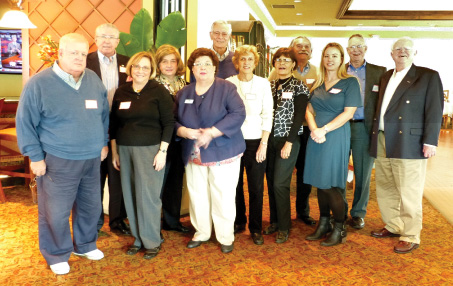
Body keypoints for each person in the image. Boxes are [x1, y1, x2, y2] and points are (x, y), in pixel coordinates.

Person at [16, 33, 109, 275]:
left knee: (90, 207)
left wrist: (103, 142)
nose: (79, 58)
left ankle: (85, 244)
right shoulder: (39, 83)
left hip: (91, 158)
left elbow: (103, 116)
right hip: (57, 160)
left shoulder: (93, 79)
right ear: (60, 54)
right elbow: (25, 123)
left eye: (82, 53)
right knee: (55, 211)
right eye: (73, 53)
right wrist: (34, 157)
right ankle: (56, 253)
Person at [370, 37, 443, 254]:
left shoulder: (427, 76)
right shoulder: (385, 77)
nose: (402, 52)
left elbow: (434, 109)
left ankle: (411, 234)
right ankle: (393, 224)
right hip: (383, 138)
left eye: (406, 49)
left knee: (408, 191)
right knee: (386, 186)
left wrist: (430, 141)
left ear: (414, 53)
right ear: (391, 54)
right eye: (397, 49)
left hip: (409, 141)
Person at [175, 48, 245, 253]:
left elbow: (238, 114)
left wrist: (212, 132)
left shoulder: (226, 88)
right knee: (197, 194)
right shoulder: (184, 92)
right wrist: (182, 130)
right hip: (193, 153)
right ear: (192, 70)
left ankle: (225, 236)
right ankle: (202, 232)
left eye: (207, 63)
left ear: (215, 67)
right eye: (197, 64)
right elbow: (173, 120)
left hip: (223, 151)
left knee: (222, 194)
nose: (202, 68)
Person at [110, 51, 174, 259]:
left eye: (145, 67)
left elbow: (169, 123)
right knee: (130, 195)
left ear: (152, 70)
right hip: (125, 149)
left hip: (151, 150)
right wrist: (114, 152)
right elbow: (114, 124)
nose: (140, 70)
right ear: (130, 68)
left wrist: (162, 152)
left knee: (148, 197)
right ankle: (138, 239)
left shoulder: (159, 91)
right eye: (137, 66)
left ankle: (152, 240)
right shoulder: (121, 92)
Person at [304, 43, 361, 247]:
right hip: (316, 137)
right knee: (319, 182)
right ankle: (324, 223)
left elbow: (349, 113)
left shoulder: (350, 83)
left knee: (330, 184)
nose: (330, 59)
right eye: (327, 55)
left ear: (341, 59)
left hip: (335, 135)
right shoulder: (318, 84)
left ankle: (340, 227)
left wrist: (324, 130)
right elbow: (309, 110)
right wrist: (313, 129)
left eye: (335, 56)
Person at [86, 23, 131, 236]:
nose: (106, 40)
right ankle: (93, 223)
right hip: (93, 127)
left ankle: (116, 220)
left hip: (120, 126)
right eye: (102, 36)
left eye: (111, 37)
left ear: (118, 41)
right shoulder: (84, 62)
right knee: (94, 178)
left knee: (117, 177)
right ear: (95, 39)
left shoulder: (127, 63)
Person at [226, 45, 273, 245]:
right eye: (242, 59)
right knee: (234, 185)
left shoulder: (263, 84)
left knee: (255, 186)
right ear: (237, 62)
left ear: (255, 62)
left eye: (250, 59)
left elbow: (267, 115)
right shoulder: (228, 83)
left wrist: (264, 143)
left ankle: (255, 227)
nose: (246, 63)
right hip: (233, 140)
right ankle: (238, 221)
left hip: (256, 142)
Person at [270, 36, 319, 226]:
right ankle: (278, 219)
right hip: (279, 133)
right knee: (278, 177)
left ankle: (303, 211)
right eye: (299, 46)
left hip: (306, 129)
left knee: (304, 171)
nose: (303, 49)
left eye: (307, 46)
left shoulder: (317, 71)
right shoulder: (273, 76)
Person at [263, 48, 309, 244]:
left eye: (286, 60)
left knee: (280, 183)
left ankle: (284, 226)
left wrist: (289, 142)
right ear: (274, 63)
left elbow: (299, 117)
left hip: (288, 140)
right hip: (268, 139)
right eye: (278, 60)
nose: (282, 63)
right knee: (271, 183)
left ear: (293, 64)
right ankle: (274, 221)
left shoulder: (299, 86)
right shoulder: (268, 85)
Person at [345, 34, 386, 229]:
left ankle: (358, 213)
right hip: (340, 127)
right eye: (352, 46)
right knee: (337, 171)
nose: (356, 50)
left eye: (359, 46)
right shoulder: (339, 69)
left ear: (365, 49)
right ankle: (338, 210)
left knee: (362, 173)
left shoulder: (379, 72)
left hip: (364, 127)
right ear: (347, 50)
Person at [155, 44, 189, 234]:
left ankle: (172, 221)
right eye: (164, 61)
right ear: (158, 65)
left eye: (172, 61)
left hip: (181, 141)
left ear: (178, 63)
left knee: (175, 182)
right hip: (161, 141)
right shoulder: (153, 85)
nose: (169, 65)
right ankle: (153, 223)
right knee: (158, 182)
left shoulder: (185, 85)